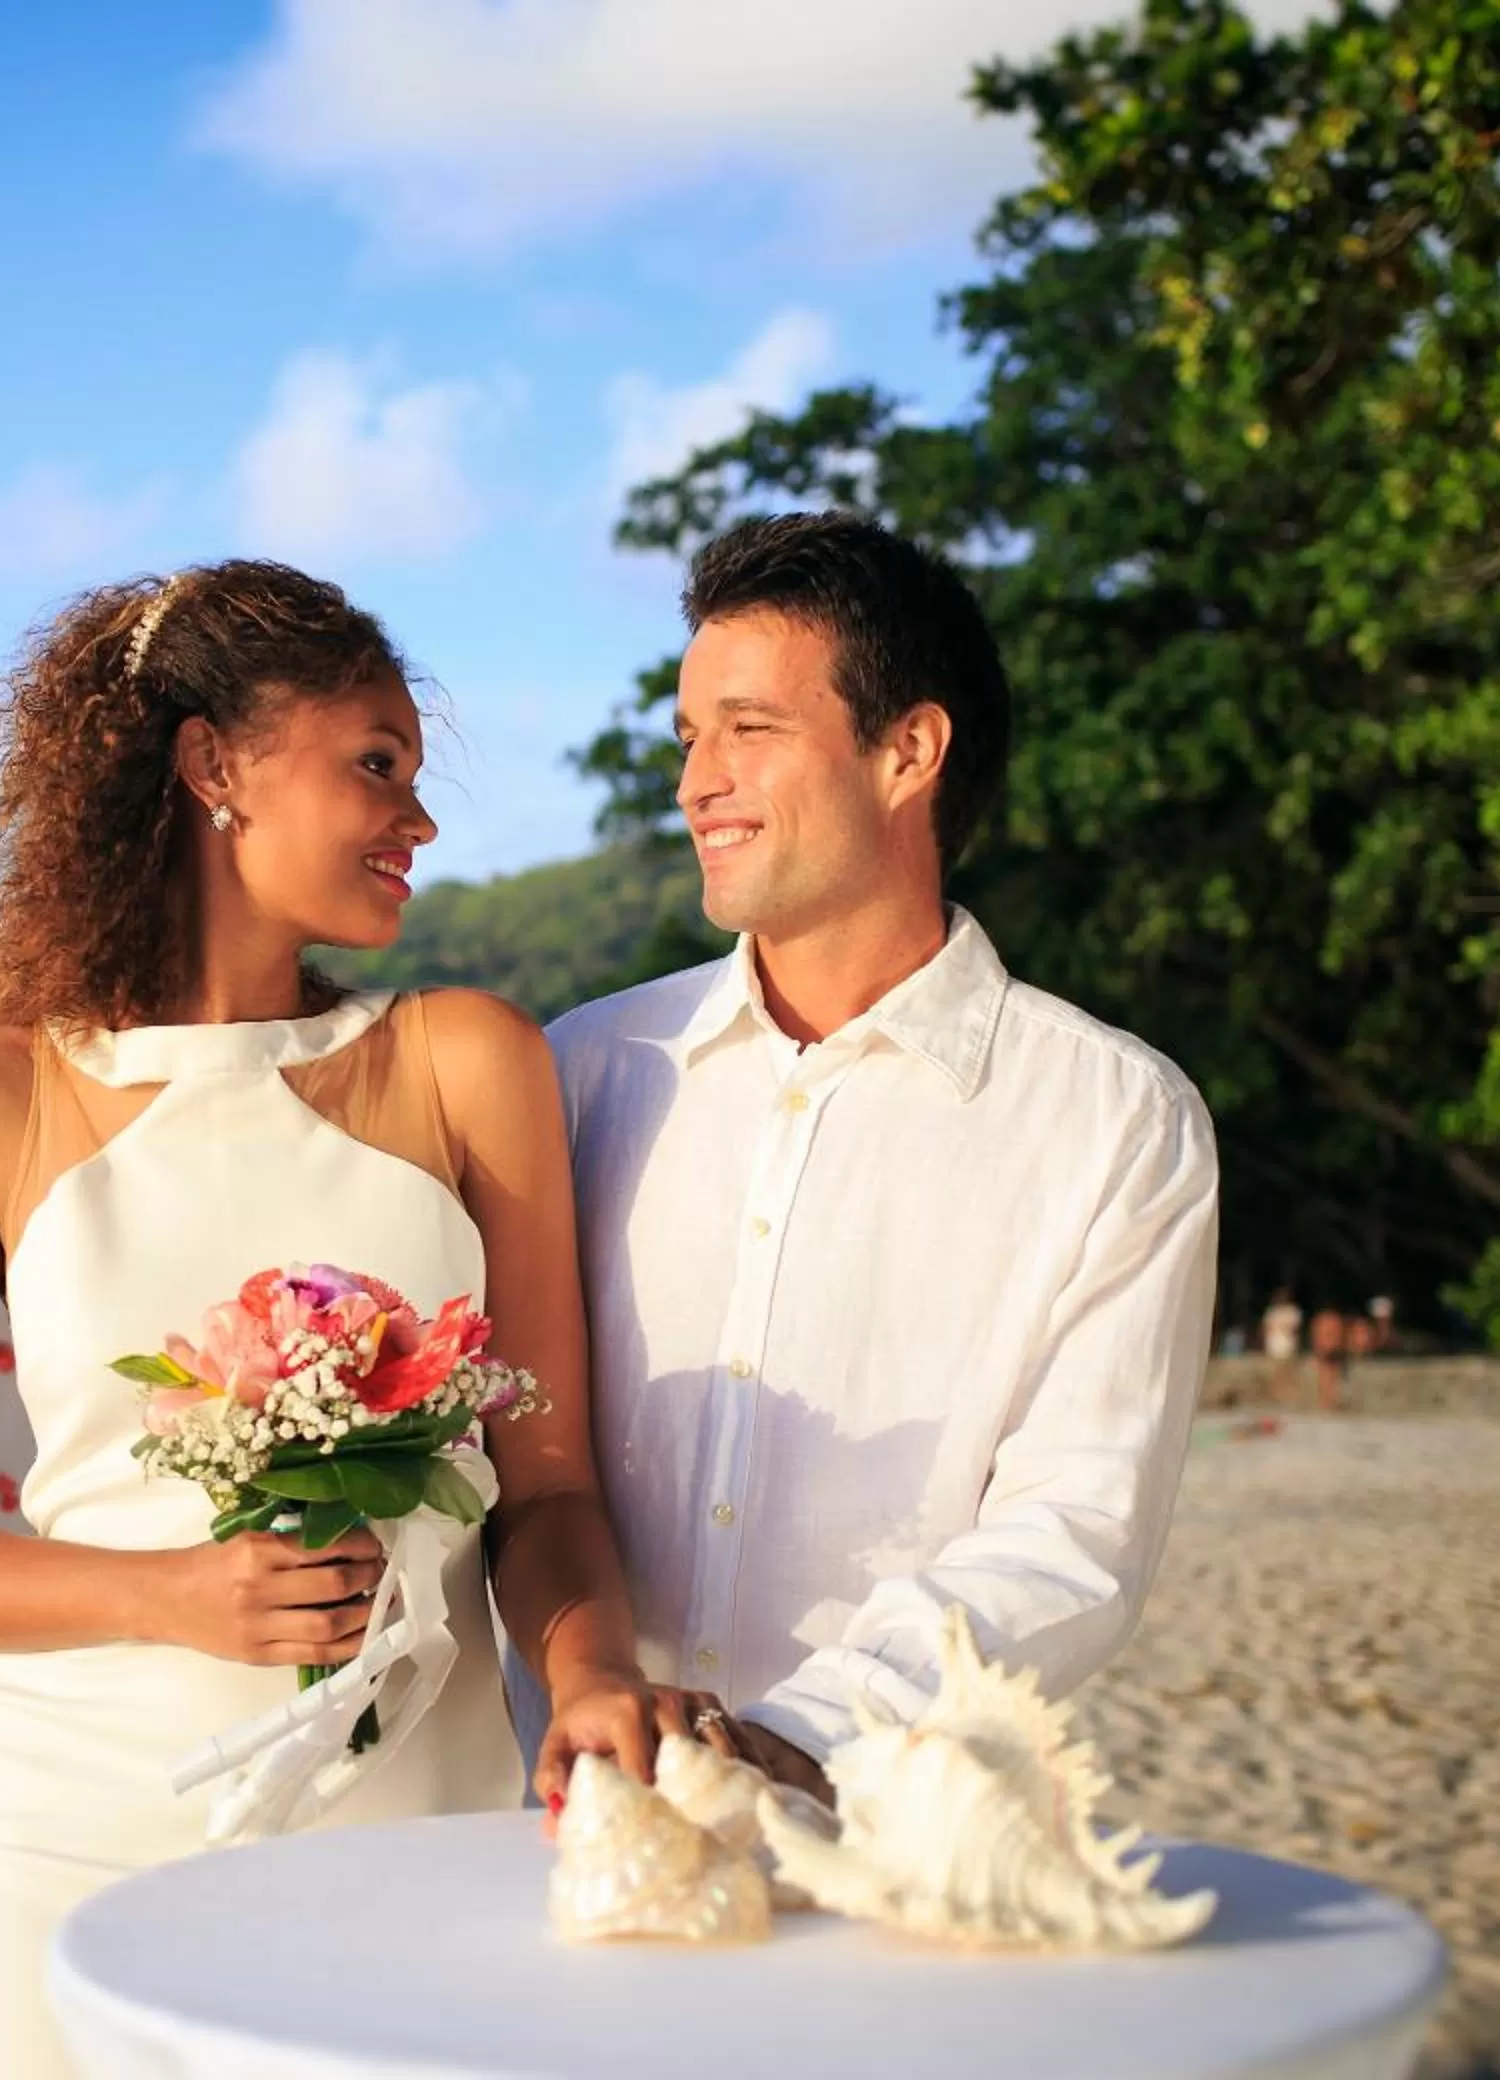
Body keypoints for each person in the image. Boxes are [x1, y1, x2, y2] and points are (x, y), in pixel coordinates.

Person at [0, 562, 670, 2079]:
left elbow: (550, 1495)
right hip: (55, 1854)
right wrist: (169, 1597)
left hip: (406, 1854)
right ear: (215, 765)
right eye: (377, 764)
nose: (419, 819)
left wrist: (592, 1675)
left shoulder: (465, 1064)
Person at [541, 512, 1221, 1803]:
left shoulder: (1118, 1122)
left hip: (891, 1826)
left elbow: (1074, 1531)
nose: (696, 784)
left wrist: (798, 1737)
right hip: (560, 1816)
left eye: (750, 731)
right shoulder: (580, 1074)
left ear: (909, 750)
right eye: (690, 740)